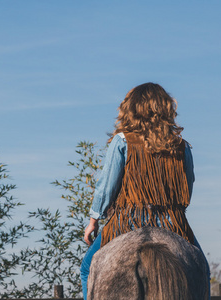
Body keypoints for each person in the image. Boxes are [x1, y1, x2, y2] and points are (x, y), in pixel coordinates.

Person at [80, 82, 210, 300]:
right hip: (171, 221)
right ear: (167, 109)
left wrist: (93, 220)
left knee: (87, 268)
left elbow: (106, 186)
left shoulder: (122, 140)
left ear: (131, 109)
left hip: (127, 219)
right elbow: (187, 187)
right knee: (202, 270)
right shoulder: (182, 146)